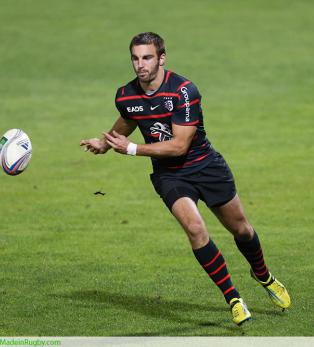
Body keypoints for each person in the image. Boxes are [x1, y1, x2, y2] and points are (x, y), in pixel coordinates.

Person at [80, 32, 290, 326]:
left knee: (241, 229)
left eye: (147, 57)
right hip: (170, 175)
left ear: (161, 58)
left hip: (206, 167)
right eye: (135, 58)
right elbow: (130, 117)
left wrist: (130, 149)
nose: (140, 64)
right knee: (195, 228)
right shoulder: (125, 95)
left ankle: (263, 275)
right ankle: (233, 298)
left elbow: (179, 145)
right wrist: (105, 142)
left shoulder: (183, 91)